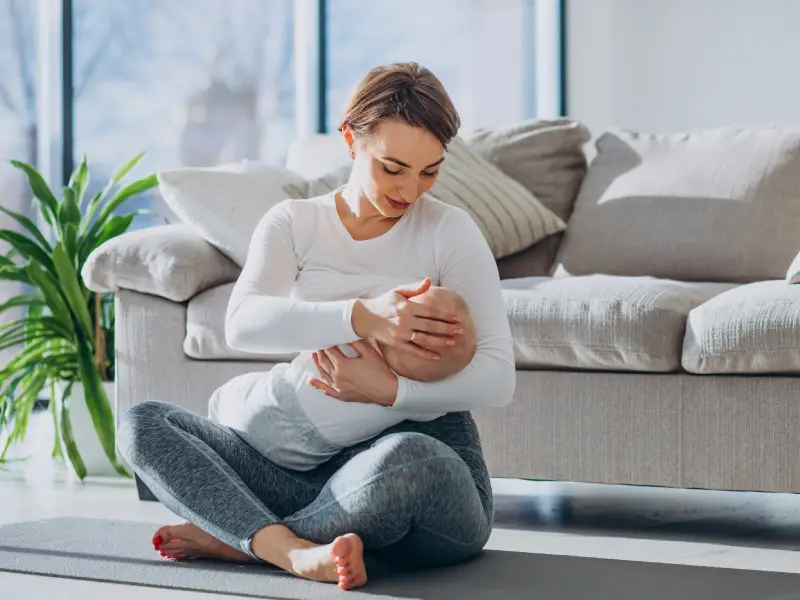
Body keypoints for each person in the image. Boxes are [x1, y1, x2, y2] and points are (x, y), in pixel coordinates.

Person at [116, 62, 515, 592]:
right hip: (302, 474)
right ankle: (294, 550)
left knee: (409, 462)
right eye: (393, 168)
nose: (410, 191)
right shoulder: (296, 222)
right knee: (141, 423)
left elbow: (498, 377)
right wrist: (362, 316)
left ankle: (246, 537)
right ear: (350, 140)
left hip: (417, 476)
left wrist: (390, 391)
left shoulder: (450, 230)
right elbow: (242, 322)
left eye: (429, 172)